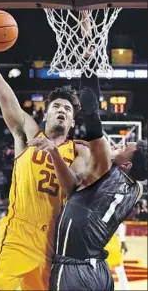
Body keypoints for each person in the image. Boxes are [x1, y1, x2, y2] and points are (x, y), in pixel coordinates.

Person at [0, 9, 90, 291]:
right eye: (56, 107)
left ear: (73, 121)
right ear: (45, 115)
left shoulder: (80, 151)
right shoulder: (26, 133)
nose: (61, 111)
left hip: (52, 244)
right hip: (17, 235)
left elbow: (73, 186)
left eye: (67, 110)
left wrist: (52, 151)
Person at [49, 74, 147, 290]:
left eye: (123, 148)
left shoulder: (103, 167)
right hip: (100, 272)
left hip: (73, 270)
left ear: (127, 165)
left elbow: (90, 108)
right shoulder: (137, 189)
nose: (118, 146)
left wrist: (88, 68)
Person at [105, 223, 130, 290]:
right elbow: (121, 225)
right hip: (111, 245)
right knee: (120, 272)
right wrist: (123, 241)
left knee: (100, 273)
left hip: (100, 246)